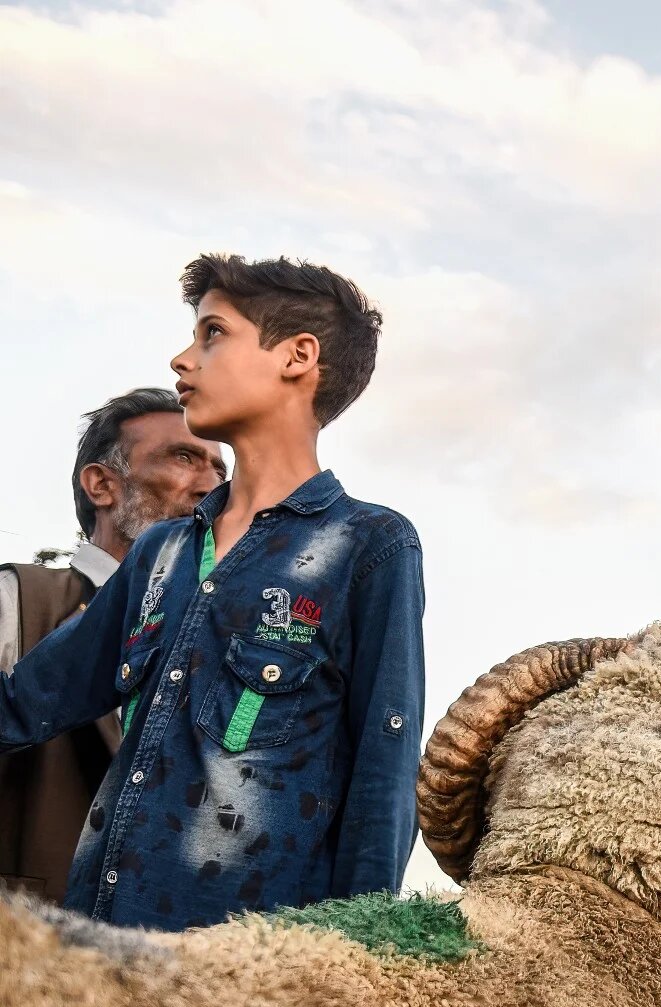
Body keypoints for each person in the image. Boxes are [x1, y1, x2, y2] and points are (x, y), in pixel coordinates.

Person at [0, 255, 426, 930]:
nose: (182, 359)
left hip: (243, 985)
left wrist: (359, 966)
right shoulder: (158, 555)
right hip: (98, 953)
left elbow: (384, 777)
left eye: (212, 335)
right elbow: (22, 703)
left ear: (297, 356)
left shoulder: (371, 547)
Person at [1, 389, 225, 901]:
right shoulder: (17, 599)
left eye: (221, 471)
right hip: (30, 952)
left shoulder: (223, 636)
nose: (212, 486)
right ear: (102, 485)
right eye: (185, 457)